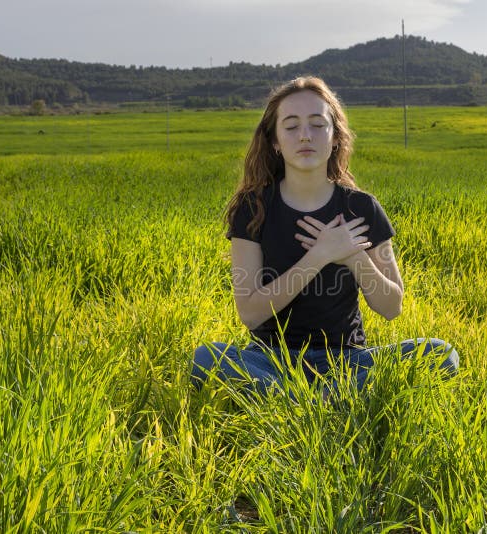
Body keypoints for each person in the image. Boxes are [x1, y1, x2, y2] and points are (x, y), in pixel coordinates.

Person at [192, 76, 458, 395]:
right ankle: (325, 400)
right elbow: (250, 314)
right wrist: (318, 255)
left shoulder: (362, 208)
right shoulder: (253, 208)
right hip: (273, 360)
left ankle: (299, 402)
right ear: (275, 141)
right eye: (291, 126)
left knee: (442, 354)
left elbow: (391, 306)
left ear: (335, 138)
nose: (305, 135)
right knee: (206, 358)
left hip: (347, 361)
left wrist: (351, 255)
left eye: (318, 124)